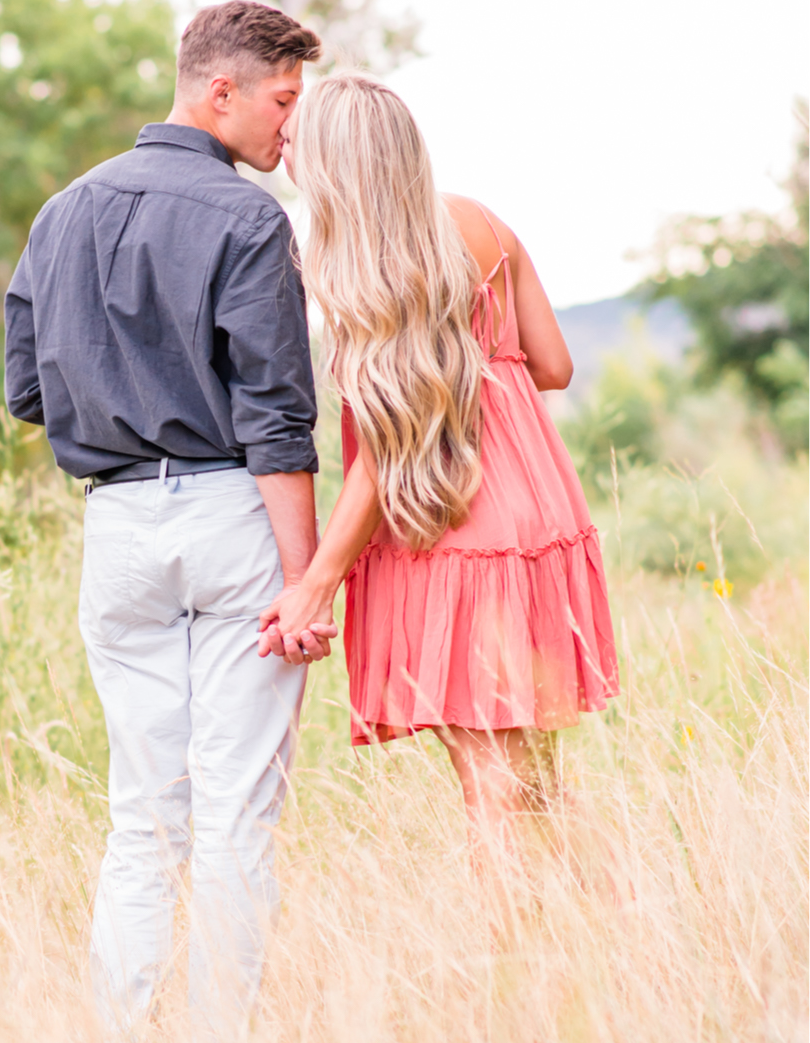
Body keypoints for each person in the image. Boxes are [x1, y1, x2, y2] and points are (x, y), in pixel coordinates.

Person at [4, 0, 328, 1043]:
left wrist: (117, 397)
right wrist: (306, 581)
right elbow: (277, 417)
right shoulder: (248, 220)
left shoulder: (62, 213)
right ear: (219, 91)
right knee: (236, 814)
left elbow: (25, 390)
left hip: (119, 530)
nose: (292, 128)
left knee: (141, 818)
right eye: (284, 101)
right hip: (233, 513)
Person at [260, 71, 618, 865]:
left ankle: (507, 979)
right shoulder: (483, 223)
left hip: (458, 528)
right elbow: (553, 366)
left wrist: (316, 582)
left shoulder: (365, 270)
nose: (283, 144)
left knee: (487, 778)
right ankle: (609, 943)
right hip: (542, 515)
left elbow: (384, 457)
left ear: (333, 163)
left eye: (297, 137)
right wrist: (483, 360)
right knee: (535, 779)